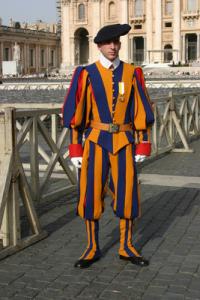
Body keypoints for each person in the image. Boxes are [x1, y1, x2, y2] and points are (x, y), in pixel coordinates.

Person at [62, 23, 154, 269]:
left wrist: (143, 143)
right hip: (95, 143)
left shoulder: (133, 73)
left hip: (125, 143)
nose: (113, 46)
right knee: (90, 194)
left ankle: (126, 246)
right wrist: (75, 148)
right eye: (108, 43)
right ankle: (92, 247)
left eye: (116, 42)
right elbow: (76, 114)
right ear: (99, 45)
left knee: (127, 194)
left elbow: (141, 110)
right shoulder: (86, 74)